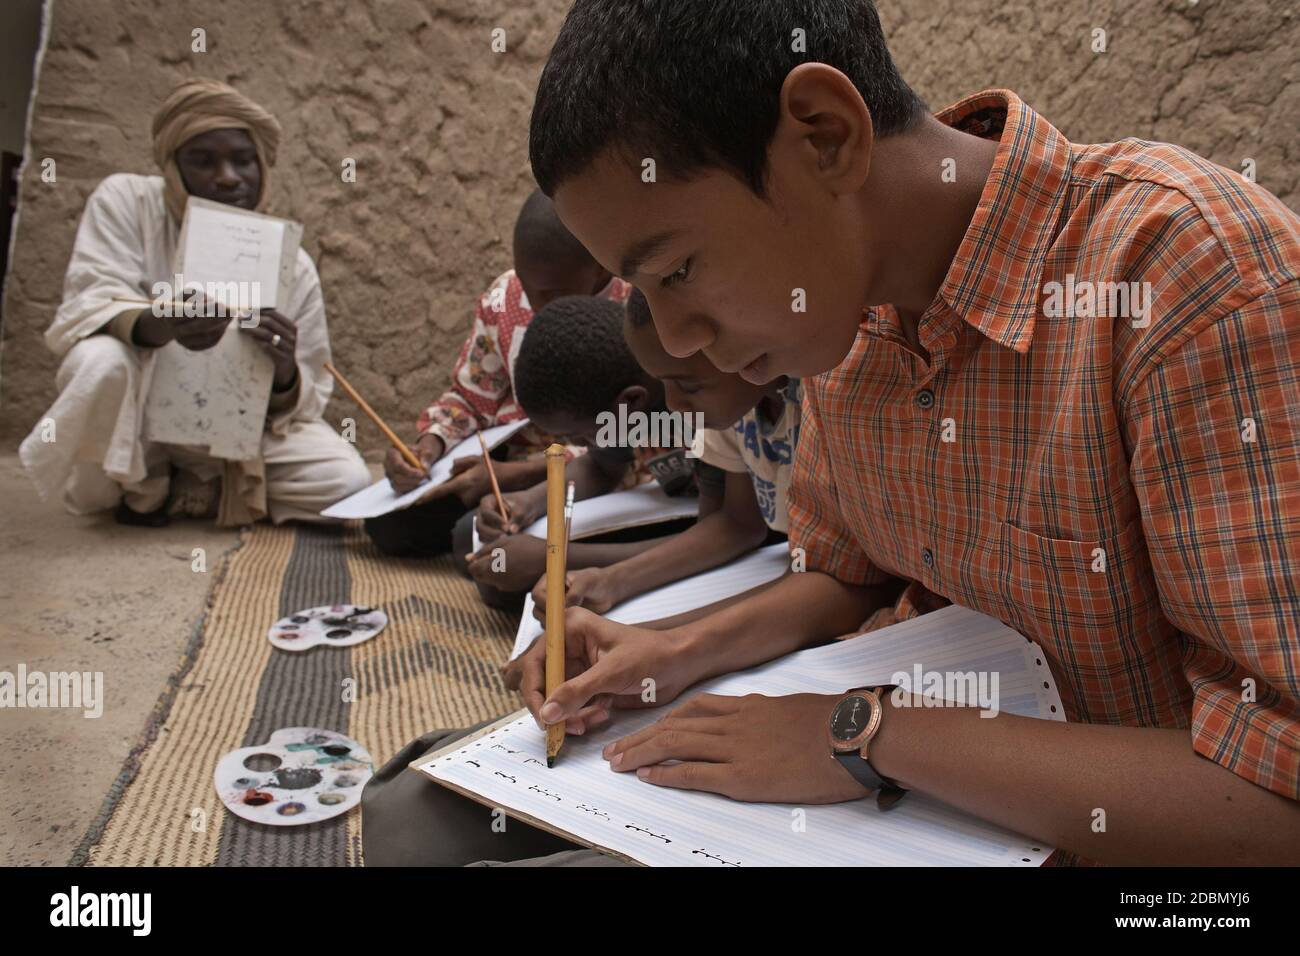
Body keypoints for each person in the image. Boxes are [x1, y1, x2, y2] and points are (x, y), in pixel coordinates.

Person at [364, 0, 1299, 866]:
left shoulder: (1190, 282)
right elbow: (843, 577)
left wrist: (859, 733)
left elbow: (1277, 798)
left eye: (678, 270)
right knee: (413, 819)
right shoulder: (841, 323)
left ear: (825, 135)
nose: (676, 339)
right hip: (909, 796)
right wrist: (675, 652)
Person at [19, 77, 369, 526]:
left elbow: (310, 394)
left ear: (263, 166)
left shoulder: (290, 261)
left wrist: (283, 372)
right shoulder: (127, 202)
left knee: (347, 485)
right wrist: (163, 324)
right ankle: (145, 486)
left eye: (244, 161)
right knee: (98, 361)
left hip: (238, 435)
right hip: (141, 425)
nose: (227, 177)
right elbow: (87, 305)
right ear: (173, 168)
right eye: (203, 162)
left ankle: (197, 488)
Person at [362, 191, 631, 557]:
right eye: (526, 284)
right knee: (391, 526)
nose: (535, 304)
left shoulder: (633, 316)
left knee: (474, 537)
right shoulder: (505, 297)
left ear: (602, 267)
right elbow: (470, 400)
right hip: (502, 464)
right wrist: (429, 446)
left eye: (553, 293)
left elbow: (624, 450)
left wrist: (518, 476)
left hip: (591, 476)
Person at [463, 294, 701, 604]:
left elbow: (729, 529)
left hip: (736, 536)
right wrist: (529, 500)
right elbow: (602, 467)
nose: (574, 446)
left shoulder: (701, 407)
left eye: (580, 436)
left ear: (630, 401)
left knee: (514, 575)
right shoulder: (626, 406)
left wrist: (556, 558)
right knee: (481, 550)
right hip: (689, 516)